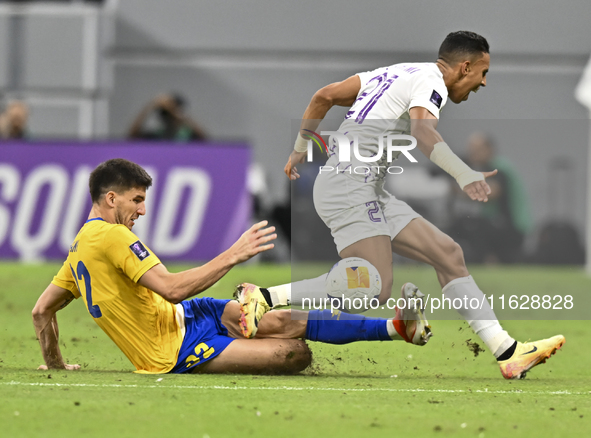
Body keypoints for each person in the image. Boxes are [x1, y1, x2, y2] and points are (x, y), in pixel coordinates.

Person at [261, 30, 564, 380]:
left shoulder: (394, 72)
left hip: (363, 186)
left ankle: (507, 352)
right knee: (374, 286)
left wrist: (301, 146)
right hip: (349, 186)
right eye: (482, 73)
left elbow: (323, 96)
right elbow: (423, 133)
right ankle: (266, 297)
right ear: (464, 67)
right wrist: (463, 172)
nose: (483, 83)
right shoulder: (431, 83)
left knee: (448, 253)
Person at [32, 158, 431, 375]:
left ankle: (398, 329)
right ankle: (260, 321)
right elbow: (171, 287)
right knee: (294, 353)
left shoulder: (79, 247)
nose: (142, 209)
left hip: (185, 315)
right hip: (173, 350)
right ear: (111, 197)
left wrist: (56, 365)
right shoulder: (114, 236)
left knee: (279, 320)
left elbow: (41, 310)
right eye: (136, 200)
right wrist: (234, 254)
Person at [446, 132, 532, 263]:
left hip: (511, 226)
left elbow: (490, 192)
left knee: (474, 229)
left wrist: (457, 190)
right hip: (499, 225)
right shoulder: (489, 166)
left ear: (490, 149)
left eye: (477, 150)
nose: (472, 154)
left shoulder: (499, 167)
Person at [128, 93, 207, 141]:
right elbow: (132, 137)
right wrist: (151, 105)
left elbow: (205, 141)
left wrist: (173, 111)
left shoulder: (188, 136)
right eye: (166, 115)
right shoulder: (156, 135)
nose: (169, 118)